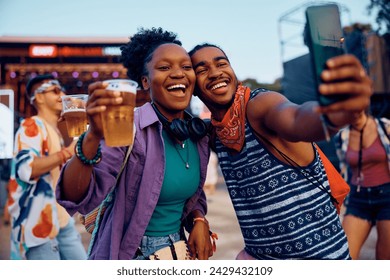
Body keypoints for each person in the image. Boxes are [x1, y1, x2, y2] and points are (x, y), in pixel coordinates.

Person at [189, 43, 372, 260]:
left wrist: (334, 112)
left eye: (222, 63)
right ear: (194, 88)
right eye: (202, 70)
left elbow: (296, 117)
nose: (215, 72)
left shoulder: (259, 105)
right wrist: (198, 217)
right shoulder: (216, 134)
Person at [56, 27, 214, 260]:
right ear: (145, 81)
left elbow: (192, 193)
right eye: (164, 67)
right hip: (131, 254)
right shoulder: (129, 129)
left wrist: (198, 218)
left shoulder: (198, 134)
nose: (178, 73)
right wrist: (92, 137)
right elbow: (77, 196)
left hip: (180, 252)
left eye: (186, 66)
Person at [8, 74, 87, 260]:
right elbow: (26, 169)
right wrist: (68, 152)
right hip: (38, 225)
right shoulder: (31, 125)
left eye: (62, 90)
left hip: (61, 220)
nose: (62, 94)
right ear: (39, 97)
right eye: (55, 90)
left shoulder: (55, 132)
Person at [334, 111, 390, 259]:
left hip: (387, 197)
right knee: (342, 255)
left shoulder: (385, 127)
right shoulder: (342, 136)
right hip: (358, 199)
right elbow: (344, 170)